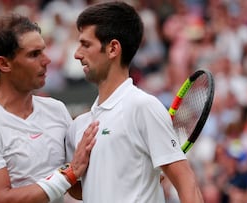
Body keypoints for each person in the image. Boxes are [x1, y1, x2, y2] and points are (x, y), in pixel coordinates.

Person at [65, 2, 204, 203]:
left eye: (86, 44)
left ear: (113, 49)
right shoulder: (79, 126)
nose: (77, 54)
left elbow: (186, 183)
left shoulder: (143, 107)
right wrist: (74, 170)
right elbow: (80, 191)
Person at [0, 13, 99, 203]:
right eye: (34, 54)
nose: (46, 60)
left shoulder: (56, 110)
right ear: (4, 63)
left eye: (44, 50)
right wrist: (70, 173)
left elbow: (74, 188)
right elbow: (0, 199)